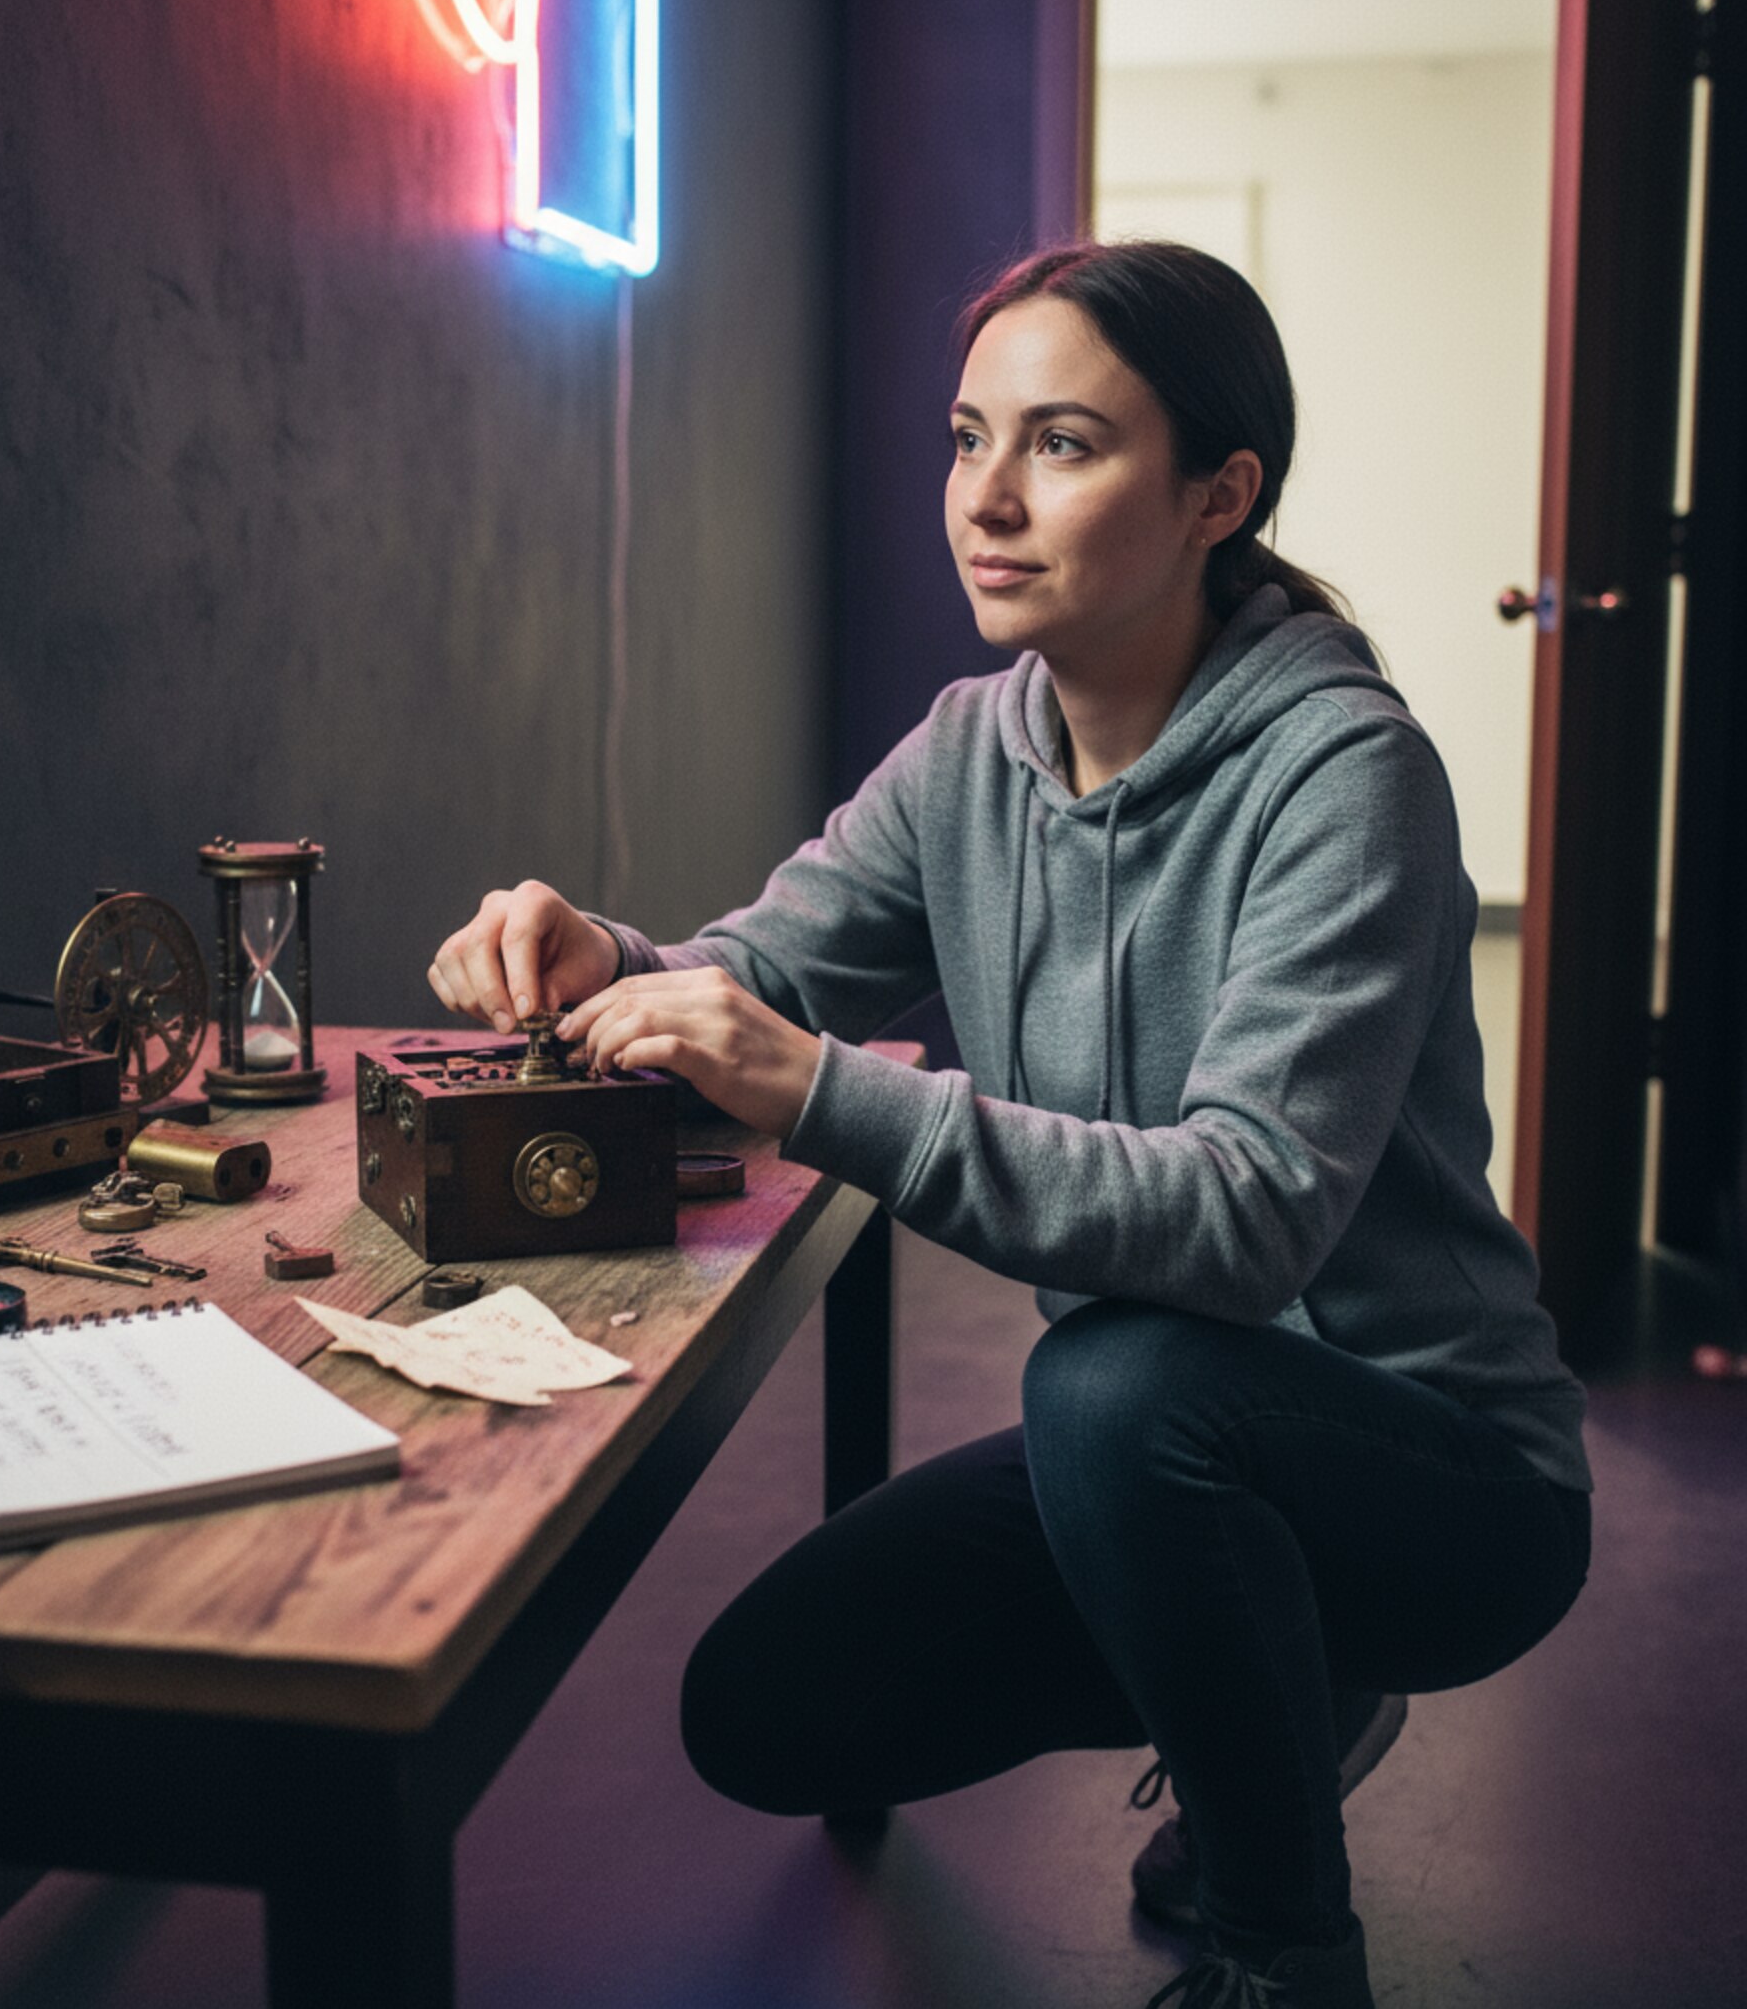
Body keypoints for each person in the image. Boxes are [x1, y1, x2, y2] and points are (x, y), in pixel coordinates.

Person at [427, 239, 1592, 2009]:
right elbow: (772, 970)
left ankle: (1287, 1940)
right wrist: (615, 957)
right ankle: (1277, 1679)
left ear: (1221, 492)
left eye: (1061, 443)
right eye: (968, 437)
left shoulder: (1350, 775)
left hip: (1438, 1478)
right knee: (773, 1710)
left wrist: (826, 1097)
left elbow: (1245, 1223)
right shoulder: (975, 747)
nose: (986, 497)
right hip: (1172, 1460)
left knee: (1111, 1380)